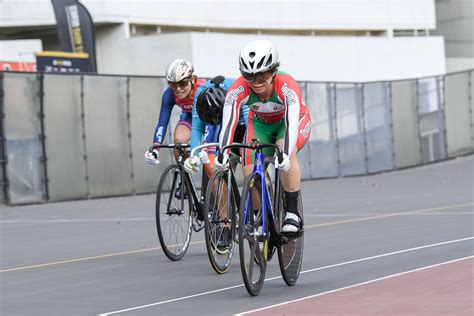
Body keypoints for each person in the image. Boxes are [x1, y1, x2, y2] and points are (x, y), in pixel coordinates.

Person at [216, 39, 312, 234]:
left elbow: (291, 123)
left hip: (290, 123)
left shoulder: (287, 86)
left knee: (286, 154)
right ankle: (261, 217)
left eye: (263, 75)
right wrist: (222, 152)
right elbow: (229, 122)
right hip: (260, 124)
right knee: (250, 169)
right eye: (250, 76)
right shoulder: (238, 89)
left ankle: (292, 213)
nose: (256, 82)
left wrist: (284, 153)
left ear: (274, 70)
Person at [183, 75, 249, 248]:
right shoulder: (199, 94)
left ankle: (258, 209)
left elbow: (252, 126)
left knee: (251, 166)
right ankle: (225, 225)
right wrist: (194, 155)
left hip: (245, 124)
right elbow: (197, 128)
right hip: (225, 130)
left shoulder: (237, 90)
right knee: (219, 173)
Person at [144, 58, 206, 164]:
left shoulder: (202, 89)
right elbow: (162, 124)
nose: (178, 89)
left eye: (182, 83)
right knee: (178, 143)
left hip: (210, 119)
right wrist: (155, 149)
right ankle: (184, 177)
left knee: (209, 162)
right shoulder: (169, 94)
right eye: (173, 84)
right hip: (190, 117)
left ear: (191, 79)